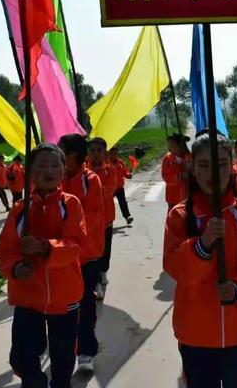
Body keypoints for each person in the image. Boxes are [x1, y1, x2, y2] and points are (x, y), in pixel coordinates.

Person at [163, 133, 237, 388]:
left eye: (221, 164)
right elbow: (174, 266)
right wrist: (201, 245)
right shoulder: (180, 216)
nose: (213, 172)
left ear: (231, 165)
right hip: (196, 334)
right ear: (192, 168)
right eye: (204, 165)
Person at [0, 143, 87, 388]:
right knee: (23, 356)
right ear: (31, 172)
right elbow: (5, 251)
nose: (49, 169)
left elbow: (76, 244)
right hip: (28, 296)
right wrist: (15, 268)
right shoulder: (19, 210)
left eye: (55, 164)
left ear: (63, 169)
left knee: (63, 355)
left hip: (65, 295)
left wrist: (46, 248)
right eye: (41, 165)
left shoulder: (71, 205)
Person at [59, 134, 105, 372]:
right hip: (57, 256)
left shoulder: (90, 180)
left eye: (62, 152)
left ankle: (86, 350)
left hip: (84, 256)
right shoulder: (55, 177)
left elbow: (92, 219)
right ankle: (64, 347)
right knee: (61, 306)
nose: (59, 156)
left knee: (85, 304)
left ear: (74, 156)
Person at [87, 137, 117, 300]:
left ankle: (104, 271)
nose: (95, 154)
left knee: (105, 249)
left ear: (104, 152)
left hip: (106, 218)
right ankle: (96, 282)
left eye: (99, 151)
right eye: (92, 151)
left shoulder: (110, 170)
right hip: (90, 221)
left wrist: (90, 192)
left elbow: (108, 190)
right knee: (93, 251)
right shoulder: (84, 171)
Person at [161, 133, 191, 211]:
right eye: (169, 144)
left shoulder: (189, 157)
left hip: (187, 195)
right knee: (174, 219)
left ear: (180, 145)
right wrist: (179, 176)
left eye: (172, 144)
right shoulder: (168, 159)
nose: (169, 147)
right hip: (173, 197)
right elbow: (166, 176)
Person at [109, 145, 134, 225]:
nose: (114, 155)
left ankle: (127, 217)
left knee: (123, 202)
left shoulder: (120, 161)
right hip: (110, 187)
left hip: (119, 186)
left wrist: (127, 175)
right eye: (112, 153)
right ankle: (108, 219)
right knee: (108, 203)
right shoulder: (106, 162)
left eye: (116, 153)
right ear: (109, 153)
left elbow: (124, 171)